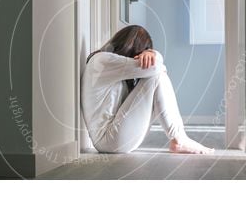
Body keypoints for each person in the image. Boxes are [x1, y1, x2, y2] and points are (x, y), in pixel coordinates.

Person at [81, 25, 214, 154]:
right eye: (142, 52)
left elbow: (155, 65)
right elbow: (156, 67)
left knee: (156, 76)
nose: (142, 57)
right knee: (157, 77)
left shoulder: (109, 62)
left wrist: (151, 54)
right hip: (108, 140)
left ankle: (179, 138)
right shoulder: (102, 60)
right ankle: (179, 138)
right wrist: (153, 54)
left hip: (113, 138)